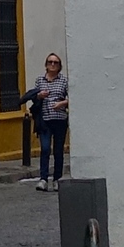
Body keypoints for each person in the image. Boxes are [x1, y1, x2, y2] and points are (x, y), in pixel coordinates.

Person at [29, 53, 69, 189]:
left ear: (59, 66)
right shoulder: (40, 80)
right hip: (44, 120)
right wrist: (39, 96)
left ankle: (57, 179)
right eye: (50, 62)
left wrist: (62, 103)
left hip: (60, 120)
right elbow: (34, 98)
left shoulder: (64, 81)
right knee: (45, 149)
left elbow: (72, 97)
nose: (52, 64)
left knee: (58, 151)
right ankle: (43, 179)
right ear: (46, 64)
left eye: (55, 62)